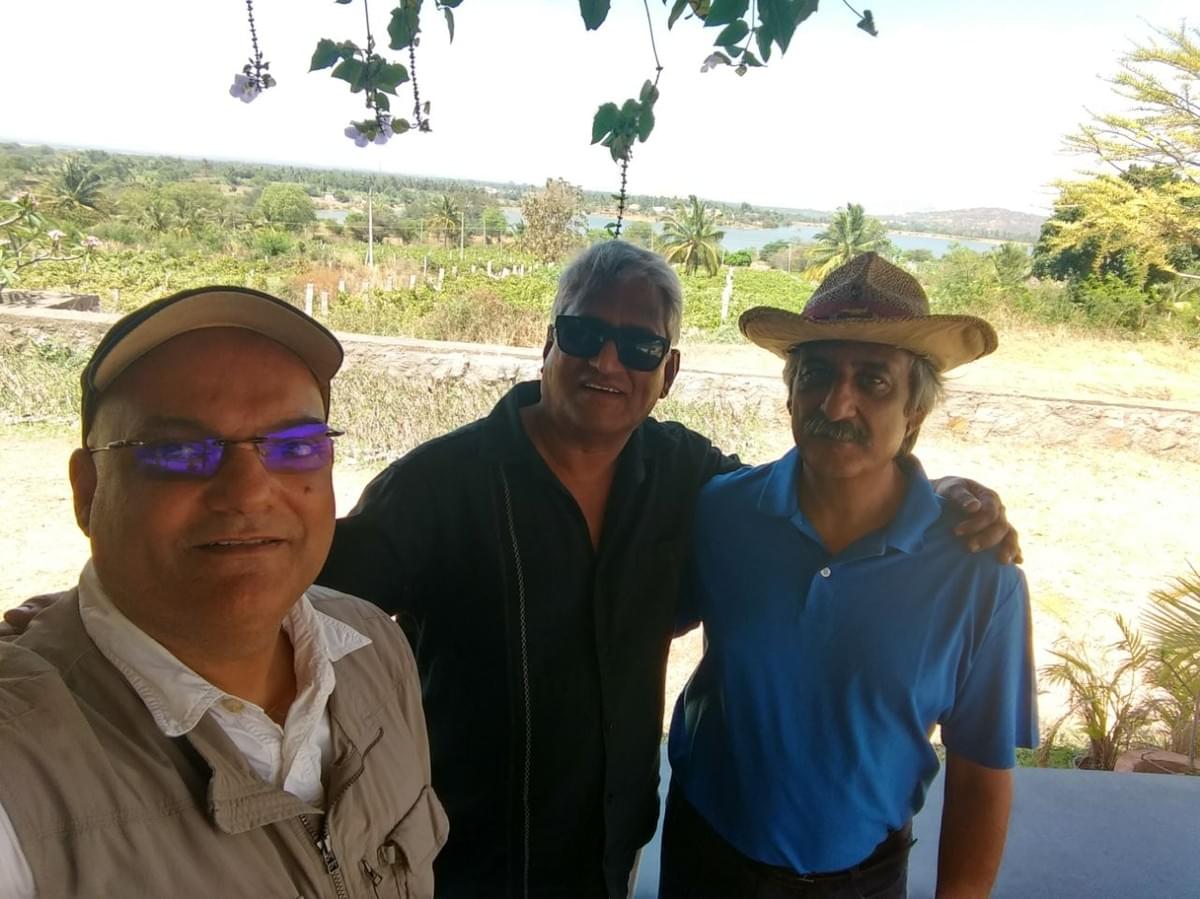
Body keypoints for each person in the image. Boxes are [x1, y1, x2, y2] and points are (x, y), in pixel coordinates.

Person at [315, 241, 1021, 898]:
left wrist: (948, 496)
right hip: (472, 857)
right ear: (549, 343)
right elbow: (306, 616)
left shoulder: (693, 484)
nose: (607, 362)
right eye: (584, 334)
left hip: (624, 854)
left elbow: (981, 768)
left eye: (640, 346)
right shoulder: (444, 485)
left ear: (669, 372)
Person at [0, 287, 447, 899]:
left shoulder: (372, 650)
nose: (248, 491)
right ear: (88, 491)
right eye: (177, 451)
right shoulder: (23, 769)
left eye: (294, 447)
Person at [661, 252, 1038, 899]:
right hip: (706, 860)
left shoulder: (980, 572)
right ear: (789, 394)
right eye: (817, 375)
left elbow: (981, 770)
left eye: (874, 382)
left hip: (863, 879)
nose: (838, 403)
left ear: (915, 412)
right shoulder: (722, 512)